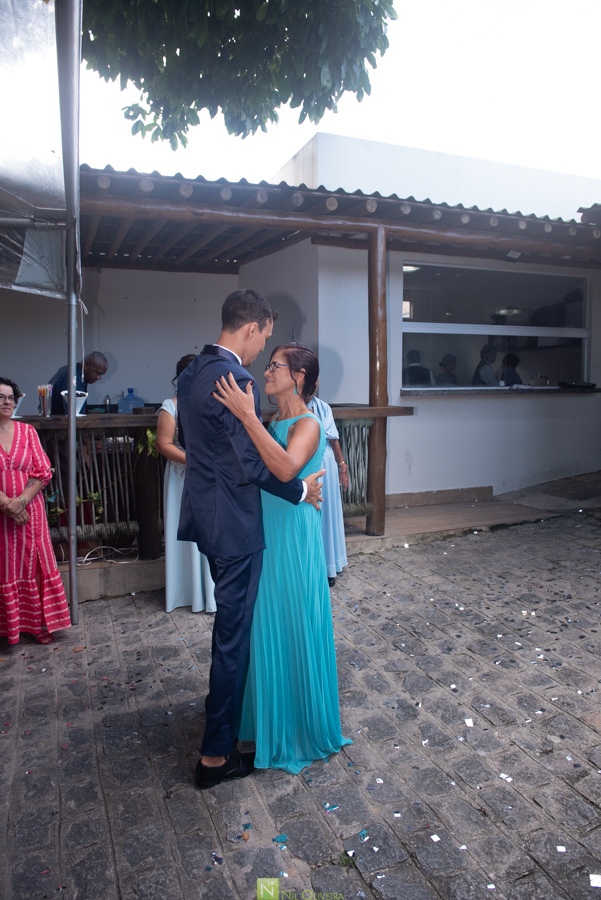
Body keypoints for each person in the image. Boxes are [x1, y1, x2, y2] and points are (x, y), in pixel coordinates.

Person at [176, 289, 323, 789]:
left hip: (208, 517)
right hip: (236, 526)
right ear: (252, 328)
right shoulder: (233, 378)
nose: (264, 354)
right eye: (265, 337)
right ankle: (215, 758)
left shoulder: (193, 371)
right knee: (233, 640)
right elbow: (253, 463)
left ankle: (244, 718)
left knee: (233, 633)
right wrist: (301, 489)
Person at [213, 343, 351, 774]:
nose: (267, 371)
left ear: (300, 377)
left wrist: (247, 415)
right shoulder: (275, 419)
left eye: (276, 366)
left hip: (292, 536)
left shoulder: (307, 422)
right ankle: (263, 720)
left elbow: (288, 469)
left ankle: (295, 725)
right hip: (267, 530)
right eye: (269, 364)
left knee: (290, 619)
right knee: (266, 623)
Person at [0, 377, 71, 645]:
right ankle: (9, 628)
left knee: (33, 564)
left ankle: (37, 625)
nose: (7, 402)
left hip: (31, 512)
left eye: (10, 397)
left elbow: (42, 472)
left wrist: (21, 500)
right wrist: (8, 504)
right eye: (1, 397)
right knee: (3, 566)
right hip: (2, 515)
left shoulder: (27, 431)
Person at [156, 355, 216, 614]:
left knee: (210, 531)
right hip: (181, 477)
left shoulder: (213, 402)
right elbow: (164, 444)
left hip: (211, 477)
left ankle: (212, 594)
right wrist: (194, 461)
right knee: (185, 531)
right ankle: (187, 592)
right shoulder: (171, 406)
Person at [307, 389, 348, 587]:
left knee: (327, 513)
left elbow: (333, 440)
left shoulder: (323, 407)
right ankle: (310, 567)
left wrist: (342, 466)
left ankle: (328, 567)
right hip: (303, 463)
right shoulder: (289, 404)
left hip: (325, 462)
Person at [48, 351, 108, 415]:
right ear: (86, 366)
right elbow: (72, 415)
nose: (99, 378)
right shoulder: (71, 377)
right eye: (98, 373)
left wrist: (88, 414)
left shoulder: (77, 374)